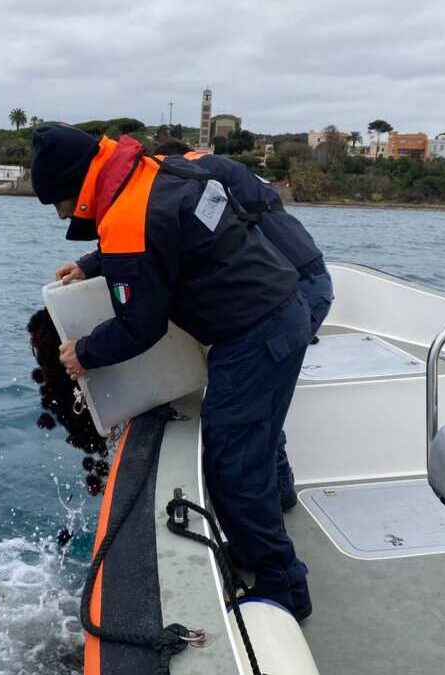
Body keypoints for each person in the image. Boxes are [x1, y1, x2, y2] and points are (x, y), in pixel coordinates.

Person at [31, 124, 313, 621]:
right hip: (281, 311)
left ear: (76, 185)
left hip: (255, 336)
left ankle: (282, 585)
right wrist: (94, 263)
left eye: (57, 202)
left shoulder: (127, 216)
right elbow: (167, 236)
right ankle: (258, 547)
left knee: (232, 464)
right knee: (252, 446)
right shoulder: (157, 170)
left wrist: (84, 353)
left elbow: (140, 327)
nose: (59, 213)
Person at [152, 140, 334, 511]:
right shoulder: (220, 171)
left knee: (254, 403)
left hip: (297, 291)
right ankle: (276, 493)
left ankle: (275, 496)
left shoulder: (202, 174)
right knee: (259, 399)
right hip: (308, 282)